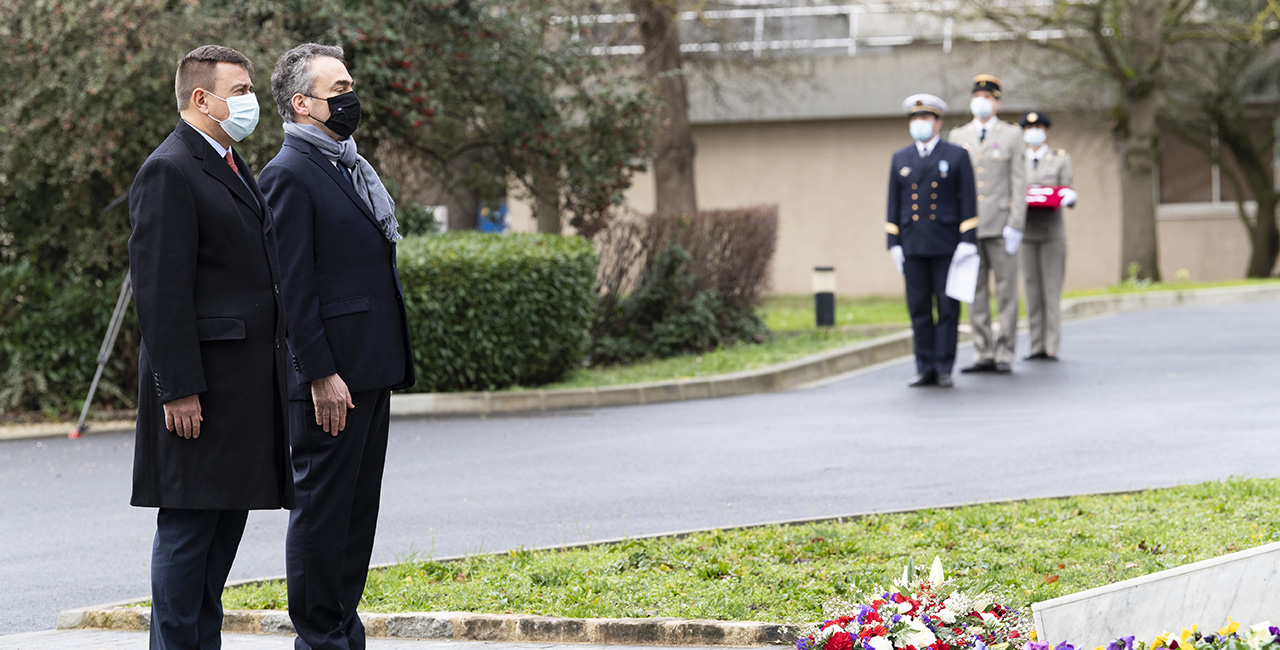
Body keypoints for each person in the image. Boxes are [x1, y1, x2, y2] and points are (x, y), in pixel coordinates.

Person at [128, 44, 293, 650]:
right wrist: (179, 389)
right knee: (190, 532)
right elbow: (160, 289)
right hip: (200, 392)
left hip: (240, 389)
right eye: (241, 90)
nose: (250, 102)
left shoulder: (227, 161)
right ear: (203, 98)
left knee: (221, 536)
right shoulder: (169, 168)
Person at [258, 43, 416, 650]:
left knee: (356, 514)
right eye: (338, 88)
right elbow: (292, 289)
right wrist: (320, 373)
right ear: (302, 104)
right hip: (332, 379)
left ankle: (342, 630)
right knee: (324, 513)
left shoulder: (348, 165)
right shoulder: (288, 174)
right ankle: (319, 637)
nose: (350, 98)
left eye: (350, 85)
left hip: (370, 366)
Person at [886, 94, 979, 388]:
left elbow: (968, 200)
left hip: (946, 243)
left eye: (925, 119)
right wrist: (893, 241)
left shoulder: (956, 155)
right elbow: (894, 201)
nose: (919, 124)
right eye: (914, 119)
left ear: (938, 123)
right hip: (913, 244)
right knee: (919, 308)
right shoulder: (901, 158)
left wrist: (968, 239)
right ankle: (924, 366)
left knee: (947, 307)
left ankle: (944, 366)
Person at [947, 74, 1027, 374]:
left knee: (1006, 291)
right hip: (970, 226)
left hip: (1002, 224)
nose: (982, 102)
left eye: (988, 98)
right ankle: (983, 351)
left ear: (997, 102)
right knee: (975, 291)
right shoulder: (959, 136)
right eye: (977, 97)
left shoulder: (1012, 135)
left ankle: (1005, 350)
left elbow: (1019, 182)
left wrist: (1016, 224)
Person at [1019, 111, 1077, 361]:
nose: (1034, 131)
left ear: (1046, 131)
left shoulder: (1059, 159)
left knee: (1051, 291)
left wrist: (1067, 197)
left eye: (1039, 127)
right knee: (1031, 290)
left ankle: (1051, 345)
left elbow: (1067, 190)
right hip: (1025, 233)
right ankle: (1035, 345)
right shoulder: (1016, 159)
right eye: (1029, 127)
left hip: (1052, 232)